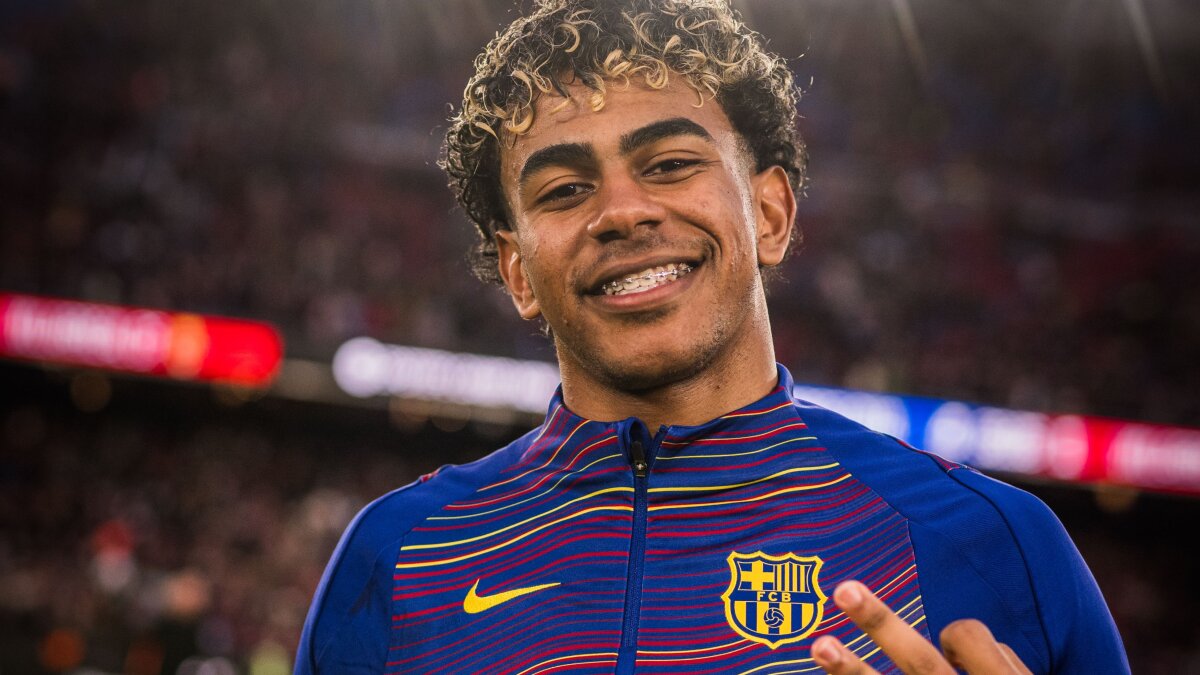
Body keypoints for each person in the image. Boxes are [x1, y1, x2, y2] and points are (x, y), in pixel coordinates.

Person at [295, 1, 1129, 673]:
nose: (623, 211)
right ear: (518, 273)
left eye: (669, 164)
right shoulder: (398, 556)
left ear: (770, 213)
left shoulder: (990, 542)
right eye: (565, 189)